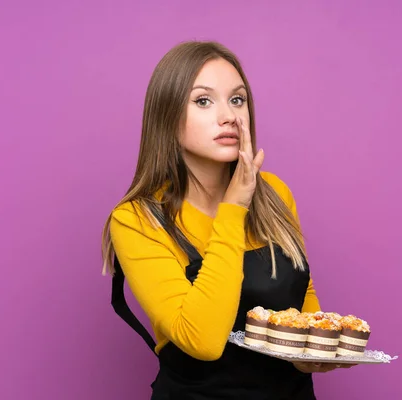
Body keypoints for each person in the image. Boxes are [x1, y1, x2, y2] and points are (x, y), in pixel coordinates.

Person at [101, 41, 353, 400]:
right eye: (203, 101)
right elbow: (201, 341)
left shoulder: (276, 194)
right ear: (167, 116)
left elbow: (301, 300)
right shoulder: (137, 219)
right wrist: (233, 210)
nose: (230, 117)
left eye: (237, 100)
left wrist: (311, 356)